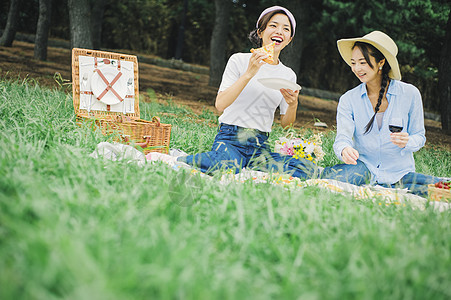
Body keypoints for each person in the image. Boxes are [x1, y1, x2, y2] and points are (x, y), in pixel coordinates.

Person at [329, 30, 442, 195]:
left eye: (363, 62)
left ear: (381, 62)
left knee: (439, 188)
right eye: (353, 63)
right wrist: (345, 149)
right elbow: (342, 139)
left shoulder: (410, 94)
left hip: (400, 173)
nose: (356, 68)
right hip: (363, 168)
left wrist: (407, 141)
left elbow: (420, 137)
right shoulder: (349, 99)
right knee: (327, 181)